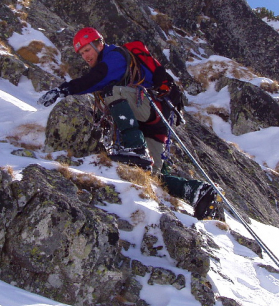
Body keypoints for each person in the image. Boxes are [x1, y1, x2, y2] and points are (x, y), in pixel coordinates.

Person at [38, 27, 224, 221]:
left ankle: (135, 147)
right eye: (81, 53)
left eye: (87, 49)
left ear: (99, 44)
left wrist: (63, 90)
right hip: (155, 120)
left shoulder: (114, 57)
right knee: (153, 175)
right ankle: (201, 192)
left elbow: (95, 79)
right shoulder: (112, 61)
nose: (85, 56)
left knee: (112, 91)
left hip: (151, 108)